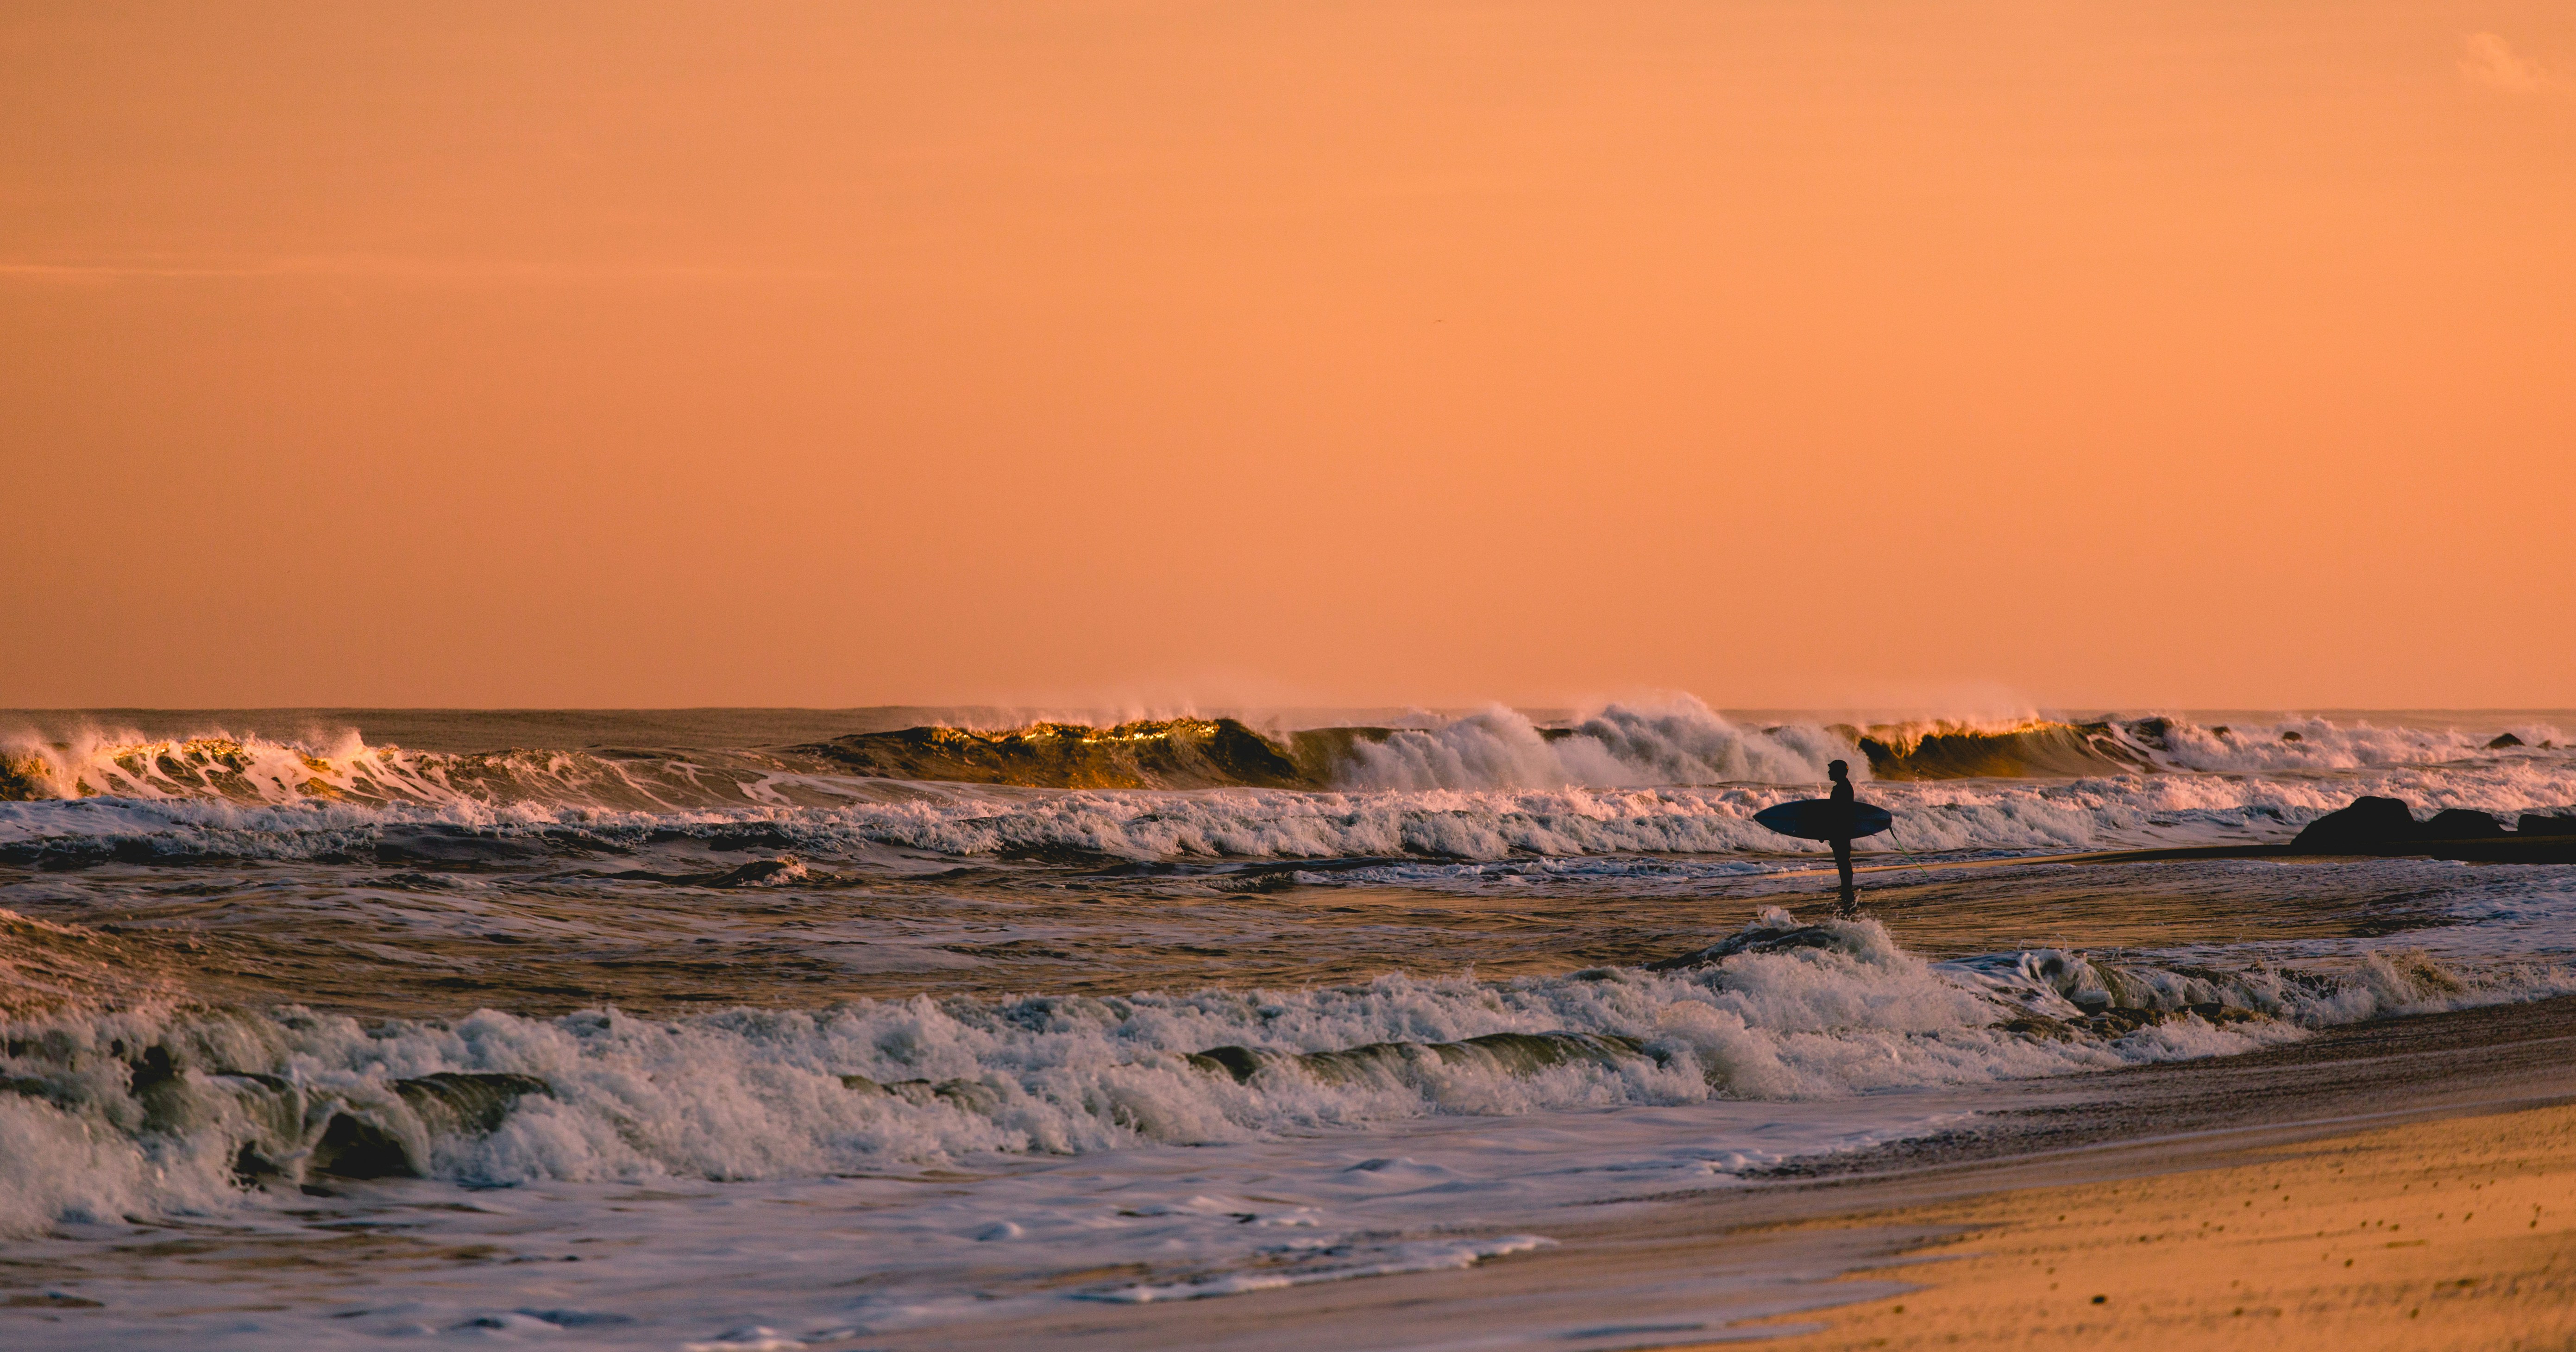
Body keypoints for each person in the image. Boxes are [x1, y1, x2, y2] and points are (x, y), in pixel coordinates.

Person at [1826, 759, 1857, 910]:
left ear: (1838, 772)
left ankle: (1847, 888)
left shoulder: (1841, 789)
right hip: (1843, 829)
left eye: (1832, 770)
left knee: (1843, 860)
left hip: (1840, 829)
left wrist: (1828, 831)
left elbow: (1835, 814)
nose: (1829, 772)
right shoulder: (1846, 787)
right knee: (1843, 860)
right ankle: (1846, 886)